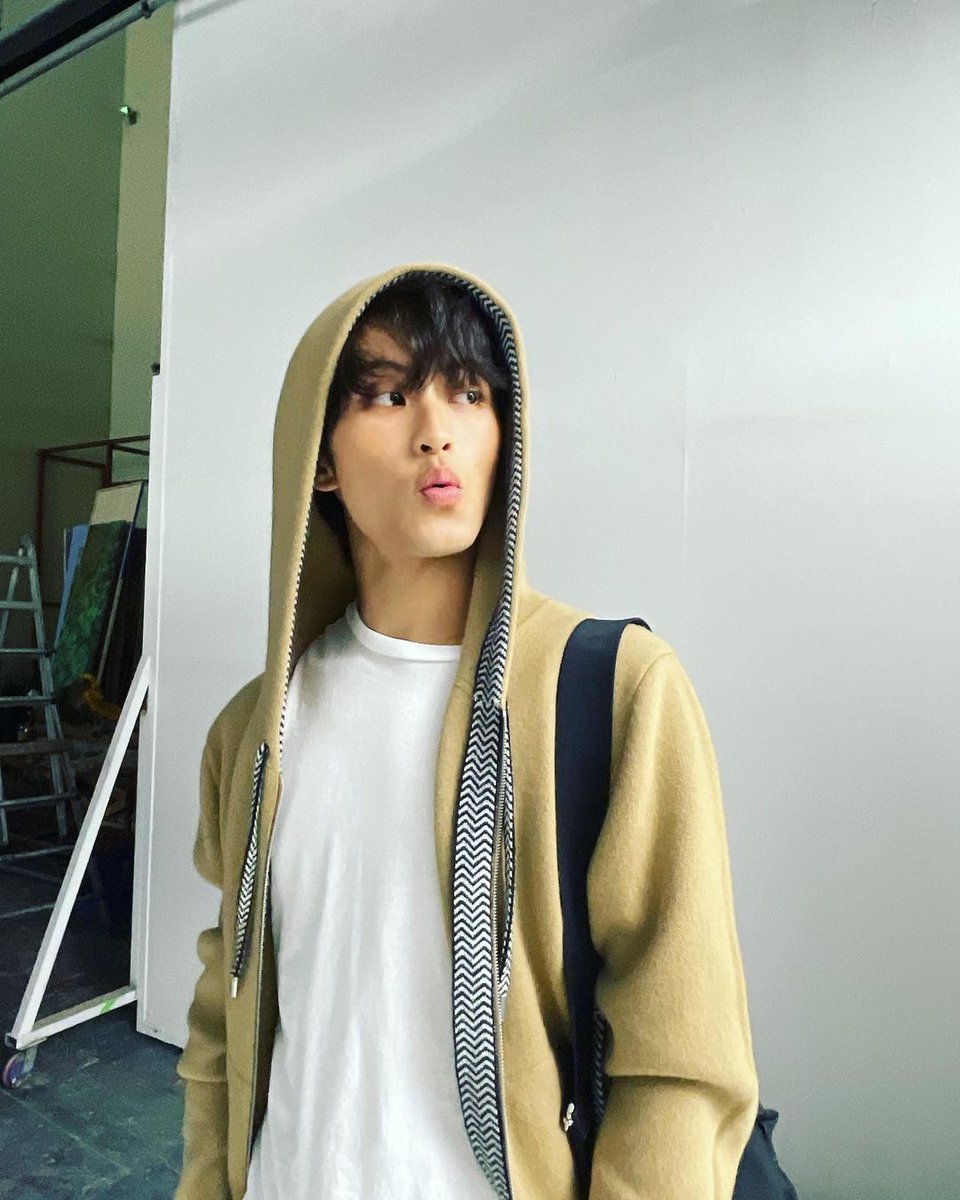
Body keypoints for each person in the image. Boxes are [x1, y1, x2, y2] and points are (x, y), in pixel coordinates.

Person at [173, 262, 760, 1200]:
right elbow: (225, 1008)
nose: (435, 431)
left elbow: (680, 1058)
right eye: (389, 394)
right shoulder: (253, 729)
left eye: (469, 394)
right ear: (320, 459)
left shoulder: (613, 690)